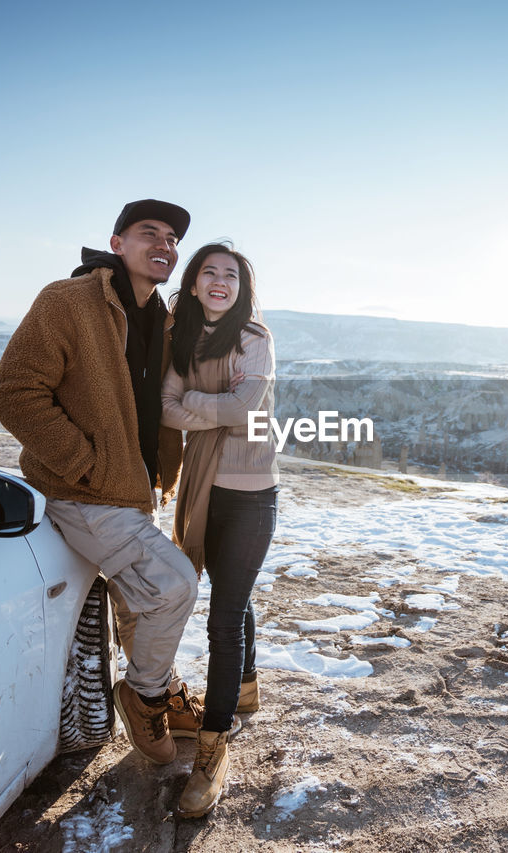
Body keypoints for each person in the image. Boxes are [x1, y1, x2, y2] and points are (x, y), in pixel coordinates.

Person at [0, 199, 206, 768]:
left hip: (133, 491)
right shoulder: (69, 302)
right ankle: (144, 697)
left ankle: (164, 686)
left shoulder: (159, 314)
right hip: (83, 493)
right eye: (148, 233)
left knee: (140, 609)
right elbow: (14, 392)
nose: (164, 244)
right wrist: (84, 463)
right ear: (116, 244)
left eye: (171, 238)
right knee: (175, 585)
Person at [160, 242, 277, 818]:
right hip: (203, 486)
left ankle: (212, 749)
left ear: (242, 288)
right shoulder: (182, 337)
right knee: (233, 590)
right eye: (210, 271)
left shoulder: (254, 338)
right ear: (194, 281)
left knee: (224, 613)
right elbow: (165, 408)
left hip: (252, 491)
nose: (220, 281)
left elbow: (247, 404)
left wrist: (197, 405)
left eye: (231, 275)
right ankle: (247, 685)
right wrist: (218, 403)